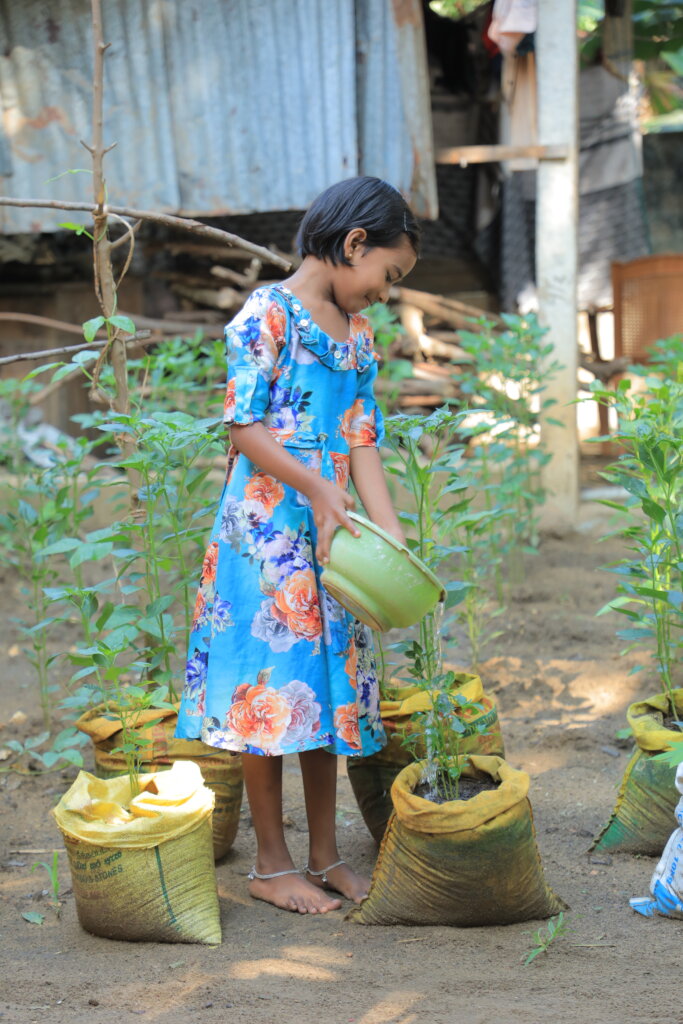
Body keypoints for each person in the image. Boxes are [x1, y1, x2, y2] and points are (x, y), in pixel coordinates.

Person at [175, 176, 419, 914]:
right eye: (387, 274)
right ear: (354, 244)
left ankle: (324, 855)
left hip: (333, 535)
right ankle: (270, 864)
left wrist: (389, 531)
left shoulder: (358, 334)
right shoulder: (266, 315)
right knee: (267, 689)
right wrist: (316, 487)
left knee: (323, 687)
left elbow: (361, 437)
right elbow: (243, 427)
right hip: (266, 536)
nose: (385, 293)